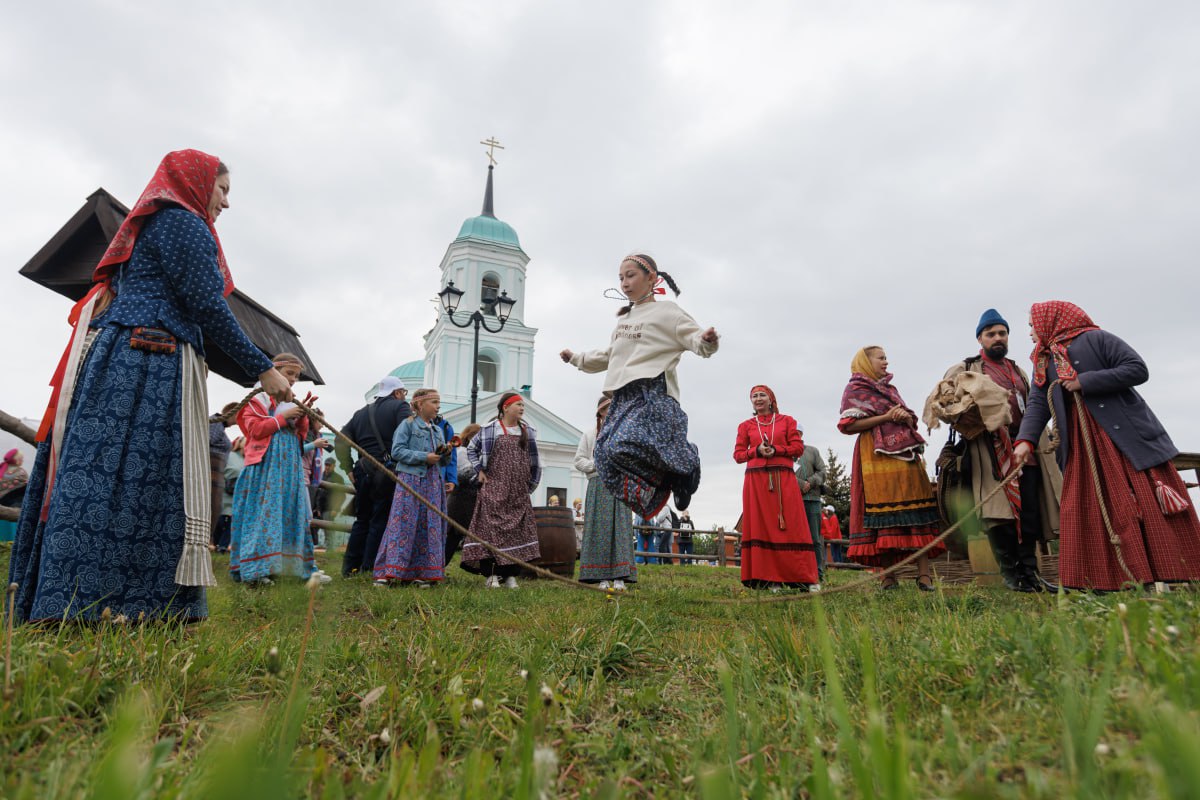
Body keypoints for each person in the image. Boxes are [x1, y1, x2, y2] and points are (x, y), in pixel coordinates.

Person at [7, 150, 292, 623]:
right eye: (222, 190)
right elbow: (206, 305)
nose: (226, 202)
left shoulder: (156, 224)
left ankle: (85, 598)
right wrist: (261, 368)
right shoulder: (183, 222)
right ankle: (112, 602)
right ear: (198, 183)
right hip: (147, 361)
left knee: (113, 474)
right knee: (133, 476)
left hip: (132, 354)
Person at [1014, 301, 1200, 591]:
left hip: (1123, 439)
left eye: (1031, 326)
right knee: (1087, 506)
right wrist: (1025, 441)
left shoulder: (1097, 338)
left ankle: (1171, 571)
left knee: (1140, 501)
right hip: (1080, 443)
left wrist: (1084, 381)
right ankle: (1101, 580)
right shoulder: (1043, 360)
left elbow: (1137, 369)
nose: (1030, 333)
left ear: (1051, 321)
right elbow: (1039, 402)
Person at [560, 253, 719, 517]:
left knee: (624, 442)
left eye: (630, 275)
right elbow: (609, 356)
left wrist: (707, 340)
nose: (624, 283)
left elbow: (695, 340)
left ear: (652, 278)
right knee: (605, 453)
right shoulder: (624, 321)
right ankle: (670, 478)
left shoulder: (668, 312)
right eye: (621, 278)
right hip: (623, 394)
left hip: (652, 392)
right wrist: (576, 358)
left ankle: (686, 463)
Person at [938, 309, 1061, 592]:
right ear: (980, 338)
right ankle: (1011, 576)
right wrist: (968, 412)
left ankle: (1030, 574)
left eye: (1002, 333)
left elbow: (1033, 405)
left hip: (1025, 449)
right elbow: (943, 403)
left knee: (1029, 513)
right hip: (990, 450)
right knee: (999, 516)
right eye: (991, 334)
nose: (997, 338)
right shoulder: (967, 369)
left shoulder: (1018, 371)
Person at [839, 347, 944, 591]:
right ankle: (888, 577)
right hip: (874, 457)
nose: (886, 362)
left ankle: (925, 575)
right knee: (882, 517)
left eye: (886, 357)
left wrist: (903, 415)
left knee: (918, 510)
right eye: (881, 358)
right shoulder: (855, 390)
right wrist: (887, 416)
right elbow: (848, 426)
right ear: (866, 361)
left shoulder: (890, 389)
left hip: (905, 457)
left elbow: (909, 420)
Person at [230, 353, 329, 586]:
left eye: (296, 375)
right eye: (289, 374)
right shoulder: (258, 397)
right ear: (275, 372)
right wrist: (283, 417)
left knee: (291, 511)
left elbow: (299, 435)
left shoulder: (290, 399)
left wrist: (302, 417)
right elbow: (254, 429)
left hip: (288, 466)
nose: (293, 379)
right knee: (265, 512)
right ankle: (256, 569)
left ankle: (294, 567)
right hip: (266, 466)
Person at [735, 385, 820, 591]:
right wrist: (755, 450)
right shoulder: (746, 425)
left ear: (771, 399)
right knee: (763, 526)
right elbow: (738, 455)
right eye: (754, 396)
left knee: (792, 524)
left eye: (762, 395)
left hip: (783, 477)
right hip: (756, 480)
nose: (758, 399)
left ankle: (803, 577)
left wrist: (776, 450)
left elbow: (797, 448)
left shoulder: (787, 421)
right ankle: (769, 578)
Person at [373, 389, 452, 587]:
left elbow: (442, 462)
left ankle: (423, 573)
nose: (437, 406)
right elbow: (397, 451)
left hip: (433, 483)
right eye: (433, 402)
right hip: (411, 480)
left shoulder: (437, 430)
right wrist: (424, 457)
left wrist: (446, 453)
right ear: (419, 405)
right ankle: (390, 571)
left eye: (438, 402)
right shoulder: (407, 425)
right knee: (403, 523)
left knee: (429, 526)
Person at [462, 392, 542, 588]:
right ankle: (491, 574)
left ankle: (509, 575)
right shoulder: (490, 429)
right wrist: (479, 470)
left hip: (517, 491)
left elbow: (534, 461)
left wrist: (529, 485)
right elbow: (472, 449)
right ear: (505, 408)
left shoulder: (528, 431)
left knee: (515, 531)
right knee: (489, 529)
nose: (522, 408)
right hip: (494, 486)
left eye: (523, 405)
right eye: (518, 405)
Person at [335, 376, 411, 576]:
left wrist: (348, 467)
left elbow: (340, 440)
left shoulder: (360, 413)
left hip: (362, 469)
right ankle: (369, 568)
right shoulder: (400, 407)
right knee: (380, 519)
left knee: (362, 520)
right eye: (403, 392)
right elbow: (408, 436)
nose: (404, 397)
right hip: (388, 470)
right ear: (397, 393)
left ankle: (349, 569)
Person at [576, 396, 637, 589]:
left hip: (619, 485)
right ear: (600, 412)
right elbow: (579, 460)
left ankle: (620, 577)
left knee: (621, 529)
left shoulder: (625, 432)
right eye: (608, 408)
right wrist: (596, 465)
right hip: (598, 486)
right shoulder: (589, 435)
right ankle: (601, 577)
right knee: (599, 530)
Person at [444, 423, 482, 567]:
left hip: (472, 501)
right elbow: (459, 475)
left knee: (460, 536)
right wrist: (480, 470)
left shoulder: (476, 455)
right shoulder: (461, 452)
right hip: (459, 499)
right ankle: (439, 567)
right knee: (452, 536)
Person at [793, 430, 827, 582]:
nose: (796, 436)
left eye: (798, 433)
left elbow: (822, 471)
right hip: (792, 500)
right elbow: (783, 472)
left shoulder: (812, 451)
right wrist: (800, 484)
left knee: (815, 539)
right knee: (794, 539)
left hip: (812, 499)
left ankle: (818, 573)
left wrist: (811, 482)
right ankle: (797, 574)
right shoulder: (785, 453)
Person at [209, 402, 238, 549]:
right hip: (212, 471)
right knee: (211, 508)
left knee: (215, 508)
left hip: (218, 473)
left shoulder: (221, 426)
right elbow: (207, 442)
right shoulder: (216, 423)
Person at [302, 412, 332, 550]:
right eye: (320, 420)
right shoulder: (304, 433)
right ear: (312, 420)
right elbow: (297, 449)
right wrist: (314, 444)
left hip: (311, 479)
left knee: (308, 514)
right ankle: (304, 545)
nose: (322, 423)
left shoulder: (317, 436)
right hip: (302, 475)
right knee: (306, 514)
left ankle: (305, 546)